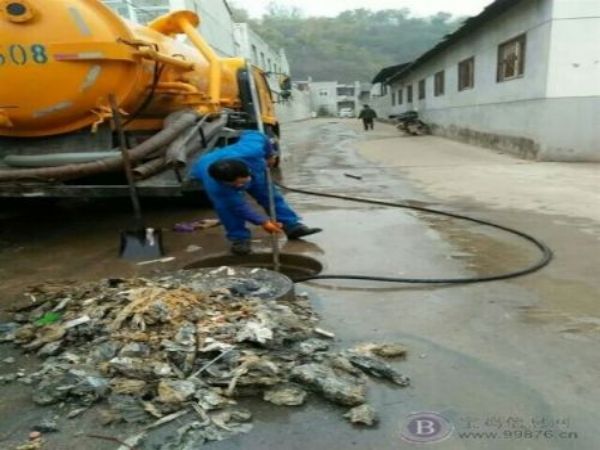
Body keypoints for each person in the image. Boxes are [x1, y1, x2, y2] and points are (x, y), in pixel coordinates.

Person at [190, 130, 322, 255]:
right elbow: (239, 207)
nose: (241, 186)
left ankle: (291, 226)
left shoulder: (251, 151)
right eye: (235, 185)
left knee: (271, 196)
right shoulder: (216, 186)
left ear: (247, 171)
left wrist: (270, 155)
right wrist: (263, 222)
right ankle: (239, 239)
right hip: (209, 164)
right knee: (228, 209)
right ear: (224, 182)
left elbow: (255, 134)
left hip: (253, 170)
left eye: (243, 182)